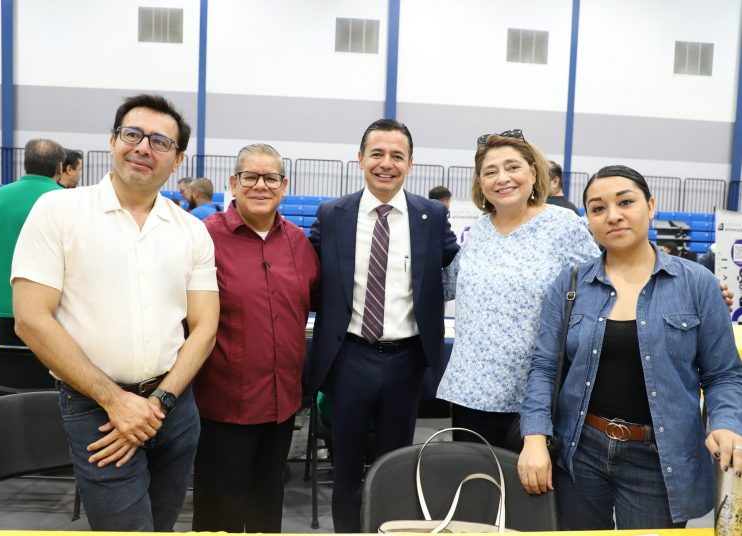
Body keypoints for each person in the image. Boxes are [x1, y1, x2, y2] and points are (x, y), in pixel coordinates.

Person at [11, 94, 220, 532]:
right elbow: (31, 319)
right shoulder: (59, 211)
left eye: (160, 142)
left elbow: (205, 327)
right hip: (96, 409)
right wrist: (115, 401)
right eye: (133, 134)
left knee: (162, 525)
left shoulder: (191, 231)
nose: (143, 147)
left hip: (173, 406)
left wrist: (160, 402)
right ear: (112, 140)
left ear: (177, 160)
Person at [518, 165, 742, 529]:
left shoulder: (697, 284)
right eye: (598, 208)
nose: (613, 215)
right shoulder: (571, 285)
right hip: (580, 452)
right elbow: (543, 367)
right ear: (589, 220)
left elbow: (723, 374)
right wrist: (534, 438)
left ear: (650, 206)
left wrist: (727, 424)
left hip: (659, 457)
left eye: (625, 202)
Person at [309, 118, 459, 532]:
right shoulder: (333, 214)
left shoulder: (431, 215)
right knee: (346, 464)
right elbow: (307, 273)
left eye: (397, 155)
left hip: (406, 360)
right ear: (360, 158)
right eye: (377, 153)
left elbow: (461, 265)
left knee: (396, 464)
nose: (386, 163)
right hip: (349, 356)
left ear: (410, 163)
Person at [437, 131, 601, 447]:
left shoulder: (564, 225)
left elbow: (602, 285)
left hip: (535, 398)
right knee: (474, 477)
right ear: (480, 182)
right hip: (471, 394)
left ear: (533, 173)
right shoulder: (479, 230)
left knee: (529, 479)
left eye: (513, 167)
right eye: (490, 171)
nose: (502, 178)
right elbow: (446, 286)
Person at [192, 144, 319, 532]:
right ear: (233, 183)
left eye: (271, 178)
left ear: (284, 186)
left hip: (281, 405)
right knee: (219, 515)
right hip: (224, 407)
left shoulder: (298, 242)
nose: (261, 185)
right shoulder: (204, 238)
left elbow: (314, 299)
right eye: (250, 177)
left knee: (267, 510)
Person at [0, 138, 65, 345]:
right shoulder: (70, 202)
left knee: (6, 363)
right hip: (53, 308)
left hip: (4, 305)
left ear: (25, 164)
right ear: (60, 168)